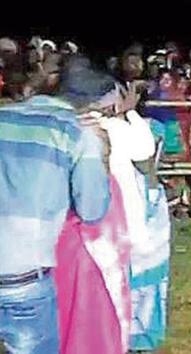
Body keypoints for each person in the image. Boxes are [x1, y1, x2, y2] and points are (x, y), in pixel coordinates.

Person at [0, 56, 111, 354]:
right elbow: (92, 210)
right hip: (20, 278)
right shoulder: (78, 134)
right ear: (90, 105)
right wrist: (102, 156)